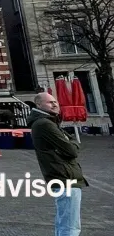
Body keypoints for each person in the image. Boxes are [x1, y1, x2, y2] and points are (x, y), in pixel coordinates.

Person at [28, 92, 88, 236]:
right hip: (65, 176)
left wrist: (71, 143)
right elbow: (71, 150)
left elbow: (70, 143)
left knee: (64, 222)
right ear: (38, 105)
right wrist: (72, 144)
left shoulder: (48, 122)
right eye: (50, 102)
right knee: (70, 226)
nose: (55, 104)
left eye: (55, 101)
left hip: (63, 175)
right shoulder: (45, 124)